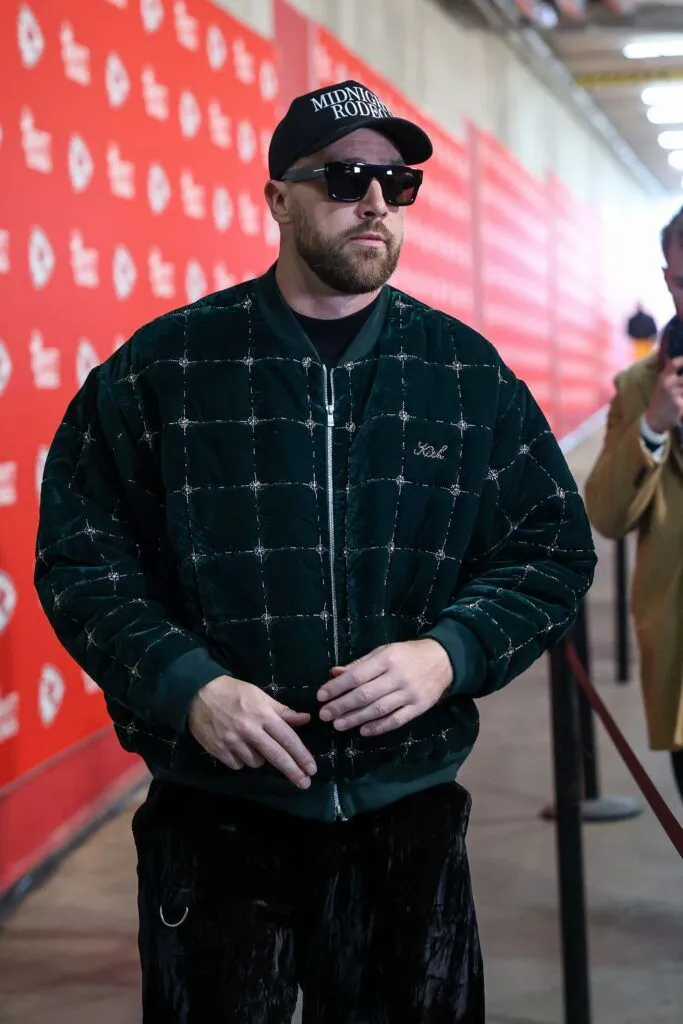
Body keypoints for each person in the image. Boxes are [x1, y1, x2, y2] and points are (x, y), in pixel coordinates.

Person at [35, 79, 596, 1023]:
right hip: (215, 817)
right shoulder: (165, 368)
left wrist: (446, 654)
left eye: (396, 181)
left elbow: (550, 549)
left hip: (404, 810)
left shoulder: (459, 372)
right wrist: (186, 684)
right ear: (276, 199)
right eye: (344, 179)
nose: (375, 200)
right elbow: (82, 559)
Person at [585, 205, 683, 803]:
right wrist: (653, 424)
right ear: (667, 277)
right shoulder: (639, 388)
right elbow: (607, 515)